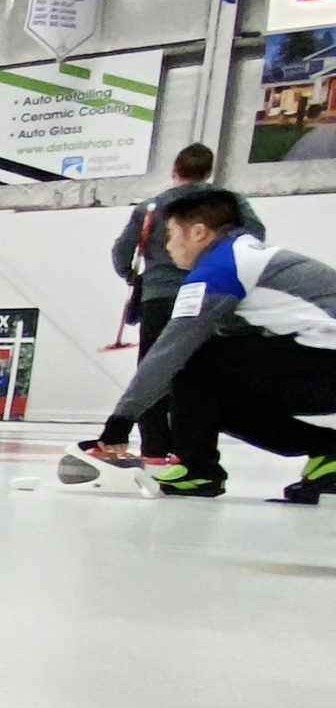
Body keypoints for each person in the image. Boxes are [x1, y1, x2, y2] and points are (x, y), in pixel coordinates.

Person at [83, 189, 336, 501]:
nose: (167, 245)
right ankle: (329, 451)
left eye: (171, 234)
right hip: (320, 358)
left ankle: (197, 469)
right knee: (218, 391)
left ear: (199, 232)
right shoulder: (245, 254)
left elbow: (170, 353)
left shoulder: (218, 269)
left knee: (196, 361)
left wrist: (120, 422)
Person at [108, 143, 263, 461]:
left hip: (159, 297)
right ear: (209, 172)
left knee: (153, 368)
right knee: (197, 373)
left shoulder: (151, 208)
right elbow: (256, 232)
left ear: (174, 170)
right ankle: (190, 450)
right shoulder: (227, 203)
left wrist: (134, 277)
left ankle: (153, 447)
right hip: (209, 294)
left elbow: (122, 251)